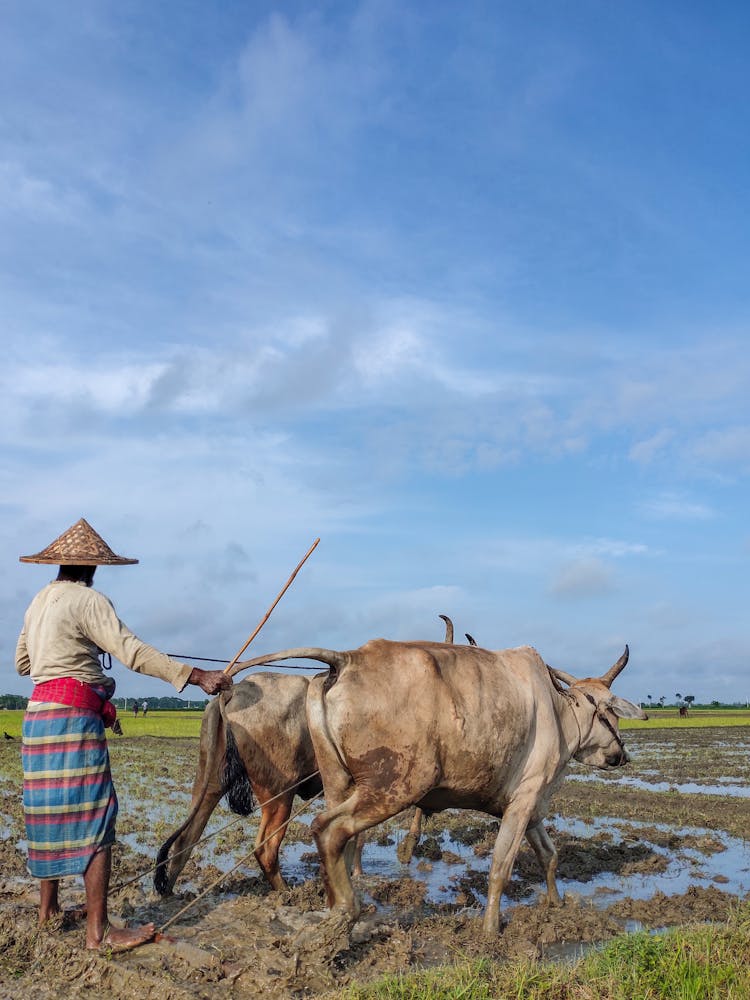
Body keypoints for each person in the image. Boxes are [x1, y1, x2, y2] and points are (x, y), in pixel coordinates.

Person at [15, 517, 233, 951]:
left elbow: (25, 664)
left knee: (47, 814)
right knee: (98, 815)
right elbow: (131, 652)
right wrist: (195, 675)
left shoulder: (40, 600)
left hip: (38, 718)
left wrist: (73, 649)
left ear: (58, 565)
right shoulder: (89, 601)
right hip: (71, 723)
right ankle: (99, 933)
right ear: (94, 569)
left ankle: (48, 911)